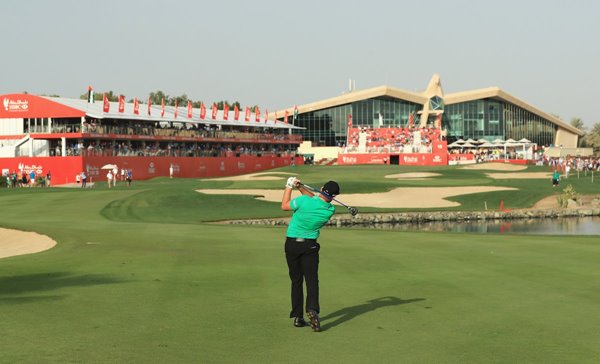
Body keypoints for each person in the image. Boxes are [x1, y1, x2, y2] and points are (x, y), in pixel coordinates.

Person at [281, 177, 339, 332]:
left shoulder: (303, 201)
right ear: (334, 197)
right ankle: (312, 309)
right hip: (310, 246)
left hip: (292, 243)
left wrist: (289, 186)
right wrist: (300, 187)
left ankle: (298, 317)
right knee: (312, 281)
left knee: (296, 280)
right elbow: (313, 198)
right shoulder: (329, 210)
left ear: (321, 188)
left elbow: (285, 206)